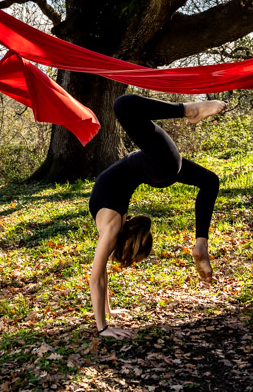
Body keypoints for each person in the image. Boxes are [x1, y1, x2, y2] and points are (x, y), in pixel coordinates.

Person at [88, 94, 226, 339]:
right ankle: (201, 244)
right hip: (154, 166)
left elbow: (96, 277)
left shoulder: (111, 229)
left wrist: (103, 327)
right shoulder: (110, 227)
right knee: (122, 105)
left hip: (156, 167)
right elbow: (101, 274)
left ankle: (190, 111)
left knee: (123, 105)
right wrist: (107, 314)